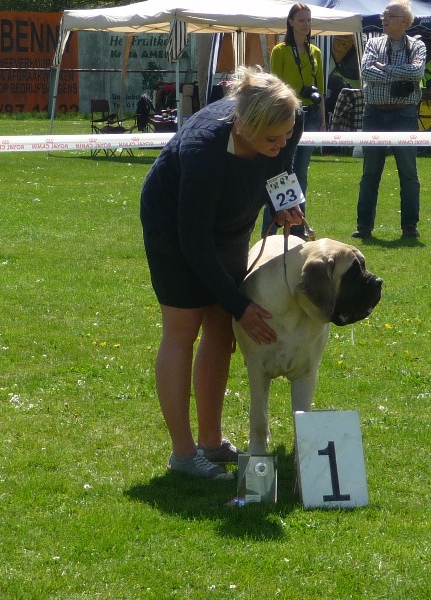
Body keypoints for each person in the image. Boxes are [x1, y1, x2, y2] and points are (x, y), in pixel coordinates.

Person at [140, 67, 305, 481]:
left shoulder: (288, 121)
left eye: (287, 134)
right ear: (246, 126)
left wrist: (283, 201)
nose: (282, 143)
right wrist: (239, 304)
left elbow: (281, 165)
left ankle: (211, 442)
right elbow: (193, 240)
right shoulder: (204, 152)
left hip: (230, 221)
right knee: (182, 330)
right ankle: (183, 454)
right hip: (174, 227)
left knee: (221, 330)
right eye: (272, 138)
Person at [352, 0, 426, 240]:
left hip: (405, 115)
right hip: (374, 114)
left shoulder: (417, 46)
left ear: (404, 22)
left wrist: (385, 68)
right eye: (383, 15)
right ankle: (364, 227)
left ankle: (410, 227)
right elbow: (366, 72)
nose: (383, 19)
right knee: (370, 173)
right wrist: (400, 73)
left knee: (409, 173)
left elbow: (417, 72)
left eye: (389, 15)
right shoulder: (372, 43)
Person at [262, 2, 325, 238]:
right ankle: (269, 229)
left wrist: (323, 119)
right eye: (301, 20)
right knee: (280, 172)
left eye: (308, 20)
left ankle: (298, 229)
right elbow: (274, 86)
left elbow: (321, 89)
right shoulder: (280, 50)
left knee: (300, 172)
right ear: (290, 22)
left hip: (310, 115)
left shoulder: (316, 51)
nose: (306, 24)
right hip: (287, 114)